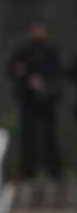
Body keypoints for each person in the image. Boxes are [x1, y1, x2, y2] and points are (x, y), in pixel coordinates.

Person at [6, 17, 62, 179]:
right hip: (28, 100)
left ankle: (55, 171)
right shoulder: (23, 51)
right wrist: (26, 77)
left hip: (47, 100)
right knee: (28, 137)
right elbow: (11, 70)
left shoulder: (51, 50)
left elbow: (58, 74)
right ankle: (27, 172)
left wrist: (43, 82)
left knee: (50, 137)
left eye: (40, 28)